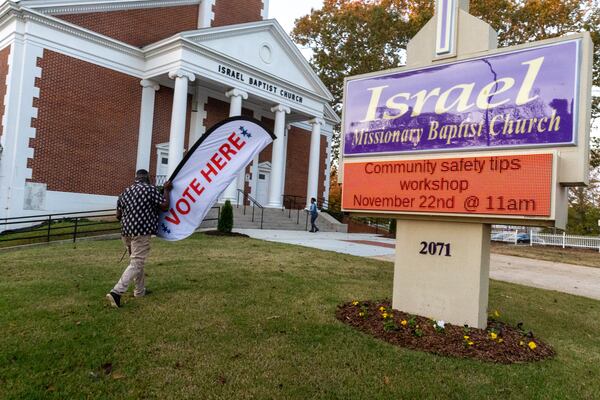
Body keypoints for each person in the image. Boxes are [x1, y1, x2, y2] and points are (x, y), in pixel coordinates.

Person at [106, 170, 172, 308]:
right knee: (137, 263)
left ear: (136, 178)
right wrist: (166, 190)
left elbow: (118, 215)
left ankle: (139, 291)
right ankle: (116, 292)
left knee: (136, 262)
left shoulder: (125, 192)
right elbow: (165, 206)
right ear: (147, 178)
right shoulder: (150, 189)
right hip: (141, 232)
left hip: (125, 232)